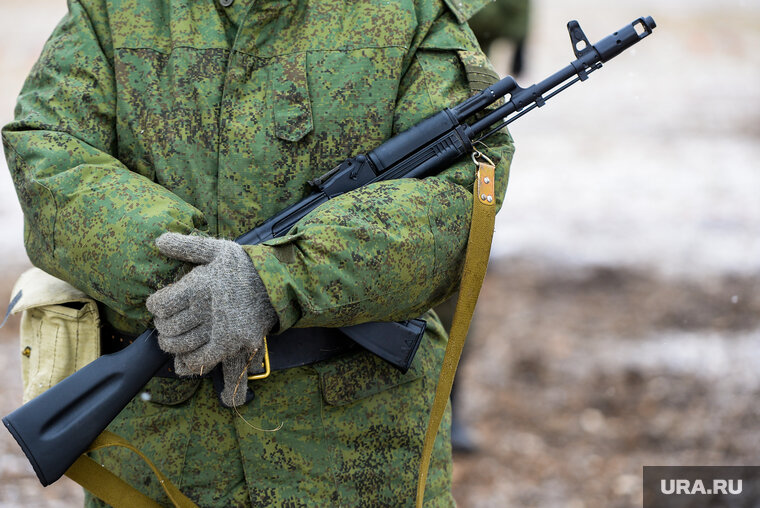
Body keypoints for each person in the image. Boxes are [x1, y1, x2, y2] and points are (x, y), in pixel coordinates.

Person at [3, 0, 513, 505]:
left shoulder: (412, 9)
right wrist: (190, 280)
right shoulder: (113, 9)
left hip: (356, 455)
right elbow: (50, 150)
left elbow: (461, 185)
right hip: (164, 451)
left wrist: (277, 279)